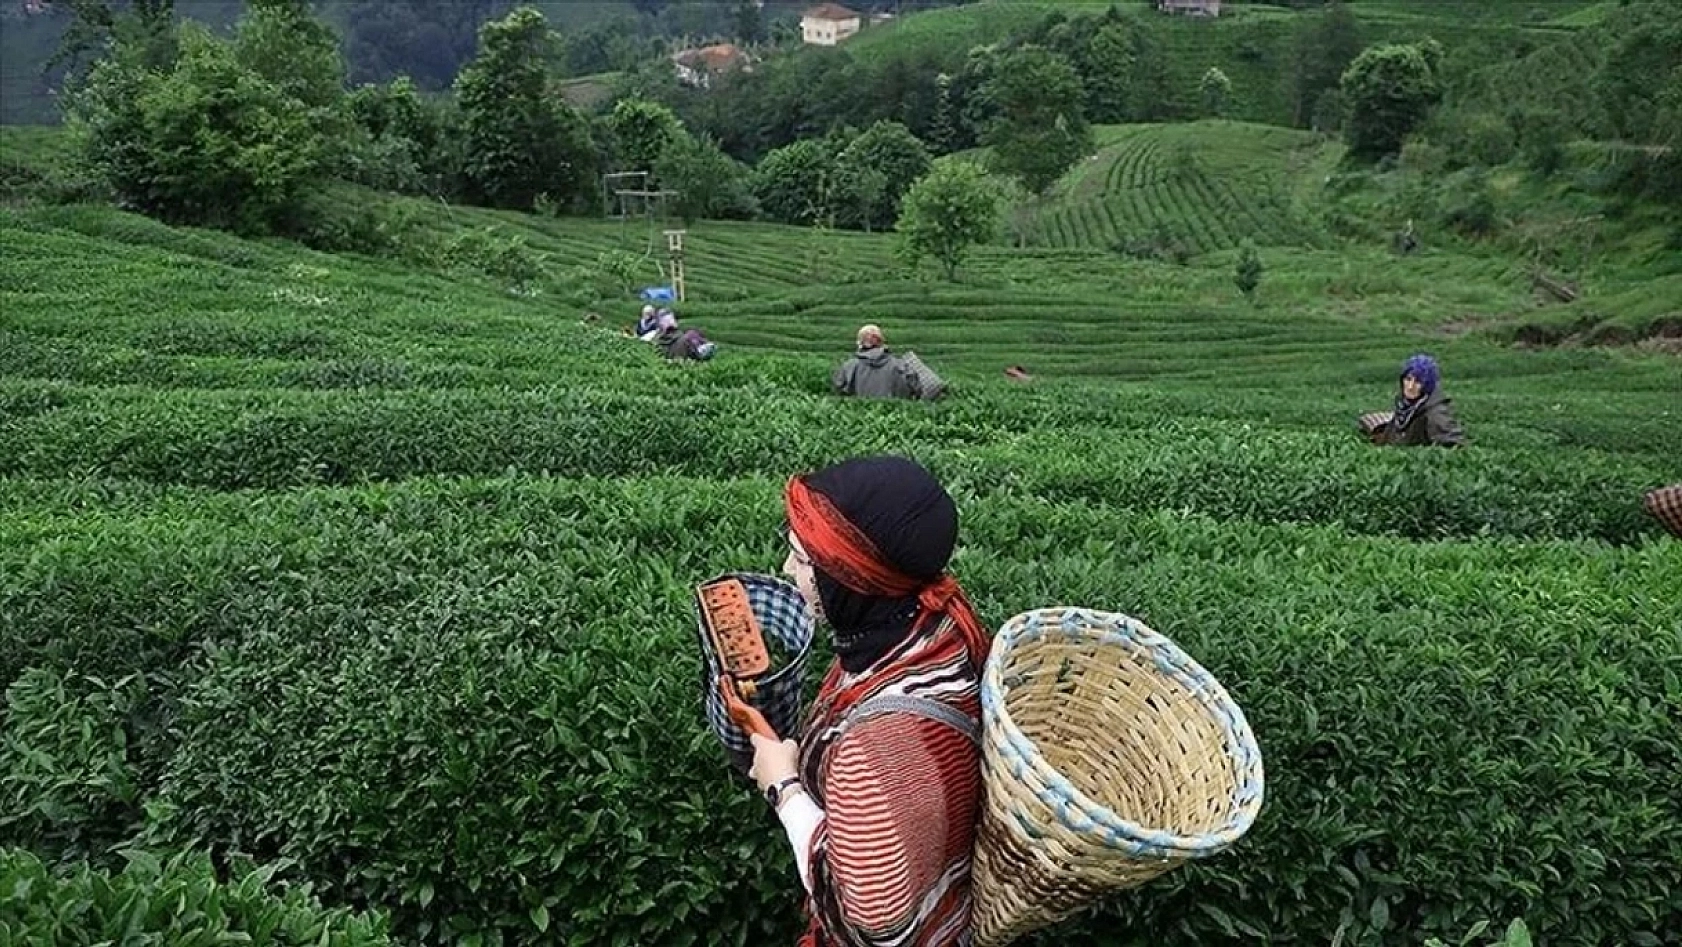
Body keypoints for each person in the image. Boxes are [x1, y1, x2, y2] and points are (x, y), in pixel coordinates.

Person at [749, 456, 991, 947]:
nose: (785, 569)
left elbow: (873, 923)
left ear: (849, 577)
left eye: (800, 559)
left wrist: (785, 789)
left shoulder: (878, 744)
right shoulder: (926, 625)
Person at [1372, 354, 1466, 447]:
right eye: (1408, 379)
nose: (1410, 387)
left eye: (1418, 382)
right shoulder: (1404, 408)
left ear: (1427, 385)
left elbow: (1453, 445)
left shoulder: (1436, 413)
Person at [832, 325, 922, 400]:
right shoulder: (901, 366)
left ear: (860, 343)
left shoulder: (849, 367)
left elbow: (838, 391)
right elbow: (917, 390)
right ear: (882, 342)